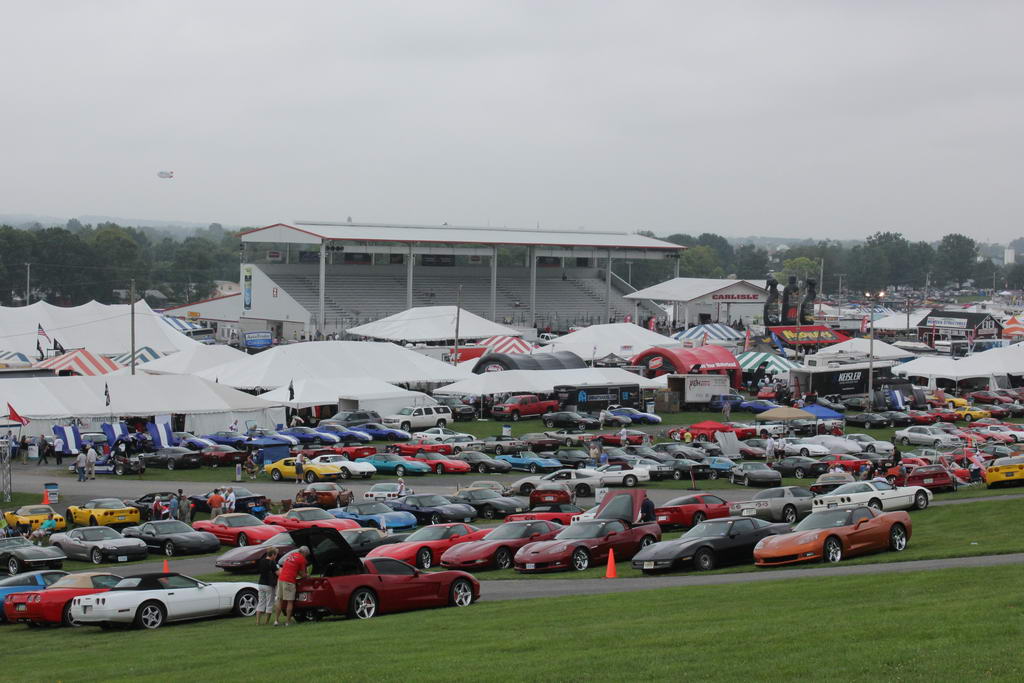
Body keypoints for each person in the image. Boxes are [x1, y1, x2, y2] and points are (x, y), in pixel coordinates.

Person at [273, 546, 310, 626]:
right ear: (304, 553)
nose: (306, 556)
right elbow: (302, 574)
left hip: (280, 579)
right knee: (290, 601)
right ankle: (287, 622)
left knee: (280, 599)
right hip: (289, 581)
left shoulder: (292, 555)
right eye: (306, 555)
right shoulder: (302, 559)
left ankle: (276, 621)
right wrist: (307, 576)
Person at [256, 546, 280, 625]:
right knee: (269, 603)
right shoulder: (272, 562)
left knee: (261, 602)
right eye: (276, 554)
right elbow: (277, 573)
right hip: (269, 584)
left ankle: (257, 622)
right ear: (272, 554)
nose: (276, 556)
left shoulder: (261, 561)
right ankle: (266, 622)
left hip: (261, 583)